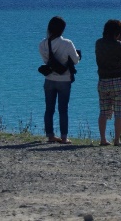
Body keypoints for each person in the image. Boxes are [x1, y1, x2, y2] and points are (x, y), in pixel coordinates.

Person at [38, 16, 80, 144]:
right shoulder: (67, 43)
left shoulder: (43, 44)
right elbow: (76, 60)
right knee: (63, 109)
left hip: (49, 79)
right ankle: (64, 137)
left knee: (49, 109)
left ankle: (50, 135)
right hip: (64, 80)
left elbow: (46, 61)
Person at [95, 19, 121, 146]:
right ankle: (117, 140)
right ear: (117, 33)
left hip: (103, 81)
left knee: (103, 111)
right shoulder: (117, 45)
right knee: (119, 112)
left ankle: (103, 139)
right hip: (118, 81)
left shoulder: (98, 43)